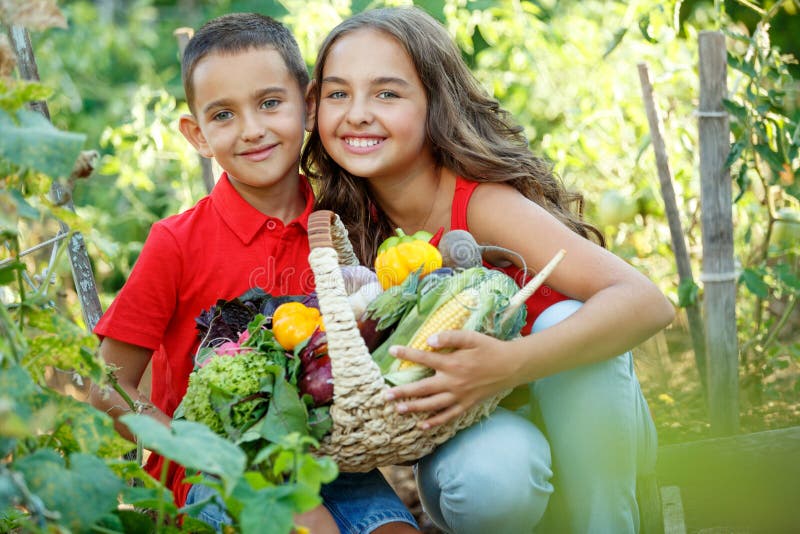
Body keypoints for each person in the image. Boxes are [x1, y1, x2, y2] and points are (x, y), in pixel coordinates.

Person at [301, 6, 676, 534]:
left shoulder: (481, 204)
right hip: (482, 437)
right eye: (338, 93)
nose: (358, 113)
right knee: (490, 480)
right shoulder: (344, 230)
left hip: (592, 421)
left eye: (387, 93)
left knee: (562, 314)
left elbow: (646, 302)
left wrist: (510, 363)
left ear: (436, 102)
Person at [89, 12, 420, 534]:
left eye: (270, 103)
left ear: (308, 106)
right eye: (223, 115)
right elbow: (107, 384)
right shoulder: (176, 242)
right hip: (214, 468)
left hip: (330, 460)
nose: (252, 129)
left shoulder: (345, 222)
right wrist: (183, 442)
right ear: (197, 134)